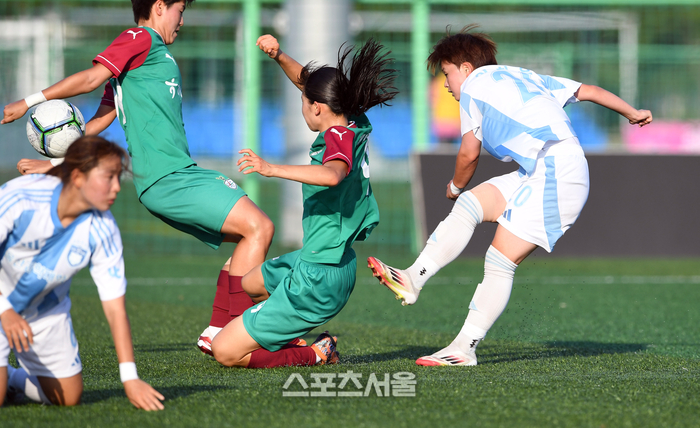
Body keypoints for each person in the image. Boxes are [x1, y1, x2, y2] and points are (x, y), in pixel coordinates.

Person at [0, 0, 274, 353]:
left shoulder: (149, 56)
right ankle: (243, 333)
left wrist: (55, 165)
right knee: (260, 226)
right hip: (169, 178)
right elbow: (91, 78)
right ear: (160, 7)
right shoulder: (139, 38)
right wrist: (30, 101)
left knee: (249, 237)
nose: (182, 21)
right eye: (180, 10)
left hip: (172, 176)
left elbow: (101, 119)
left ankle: (218, 331)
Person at [368, 25, 653, 366]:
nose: (445, 84)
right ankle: (413, 278)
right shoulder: (522, 75)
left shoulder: (473, 87)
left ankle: (463, 349)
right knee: (471, 204)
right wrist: (632, 112)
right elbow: (588, 90)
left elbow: (469, 153)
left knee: (499, 261)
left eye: (446, 73)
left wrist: (454, 186)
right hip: (543, 168)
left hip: (557, 172)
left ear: (466, 69)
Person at [209, 34, 397, 368]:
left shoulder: (336, 136)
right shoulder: (353, 121)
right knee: (251, 281)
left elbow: (333, 174)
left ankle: (317, 353)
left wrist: (271, 168)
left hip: (319, 277)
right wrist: (279, 55)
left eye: (303, 102)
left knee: (224, 351)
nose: (302, 106)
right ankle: (278, 333)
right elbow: (308, 84)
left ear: (317, 108)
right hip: (325, 261)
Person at [0, 136, 164, 409]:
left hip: (43, 313)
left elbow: (115, 309)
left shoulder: (103, 229)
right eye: (109, 177)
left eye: (118, 177)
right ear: (77, 177)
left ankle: (12, 379)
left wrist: (130, 377)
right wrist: (5, 311)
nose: (117, 187)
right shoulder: (21, 197)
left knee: (68, 397)